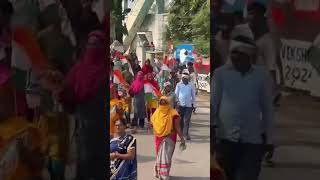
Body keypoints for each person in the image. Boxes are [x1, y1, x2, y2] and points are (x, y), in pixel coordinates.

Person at [212, 35, 273, 180]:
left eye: (239, 54)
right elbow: (213, 105)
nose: (234, 57)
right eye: (232, 53)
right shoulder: (220, 74)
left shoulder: (261, 76)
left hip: (252, 141)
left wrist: (270, 140)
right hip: (225, 140)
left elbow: (267, 109)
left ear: (249, 56)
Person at [247, 2, 281, 106]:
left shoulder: (257, 20)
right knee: (266, 68)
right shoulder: (263, 20)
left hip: (263, 41)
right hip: (262, 41)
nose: (253, 15)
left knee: (268, 68)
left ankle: (271, 93)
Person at [151, 96, 186, 180]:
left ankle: (159, 172)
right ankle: (164, 175)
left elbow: (152, 124)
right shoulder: (173, 113)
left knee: (161, 156)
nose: (163, 106)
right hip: (169, 138)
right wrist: (182, 138)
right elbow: (178, 128)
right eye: (161, 103)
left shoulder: (158, 112)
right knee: (166, 157)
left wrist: (159, 131)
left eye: (164, 103)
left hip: (160, 139)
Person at [175, 73, 196, 140]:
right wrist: (176, 104)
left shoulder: (191, 85)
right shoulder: (179, 85)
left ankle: (186, 134)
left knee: (186, 120)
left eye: (185, 79)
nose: (184, 80)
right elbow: (176, 95)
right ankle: (181, 133)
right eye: (183, 78)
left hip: (189, 106)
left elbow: (193, 96)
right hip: (180, 105)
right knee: (180, 120)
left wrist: (194, 105)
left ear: (188, 79)